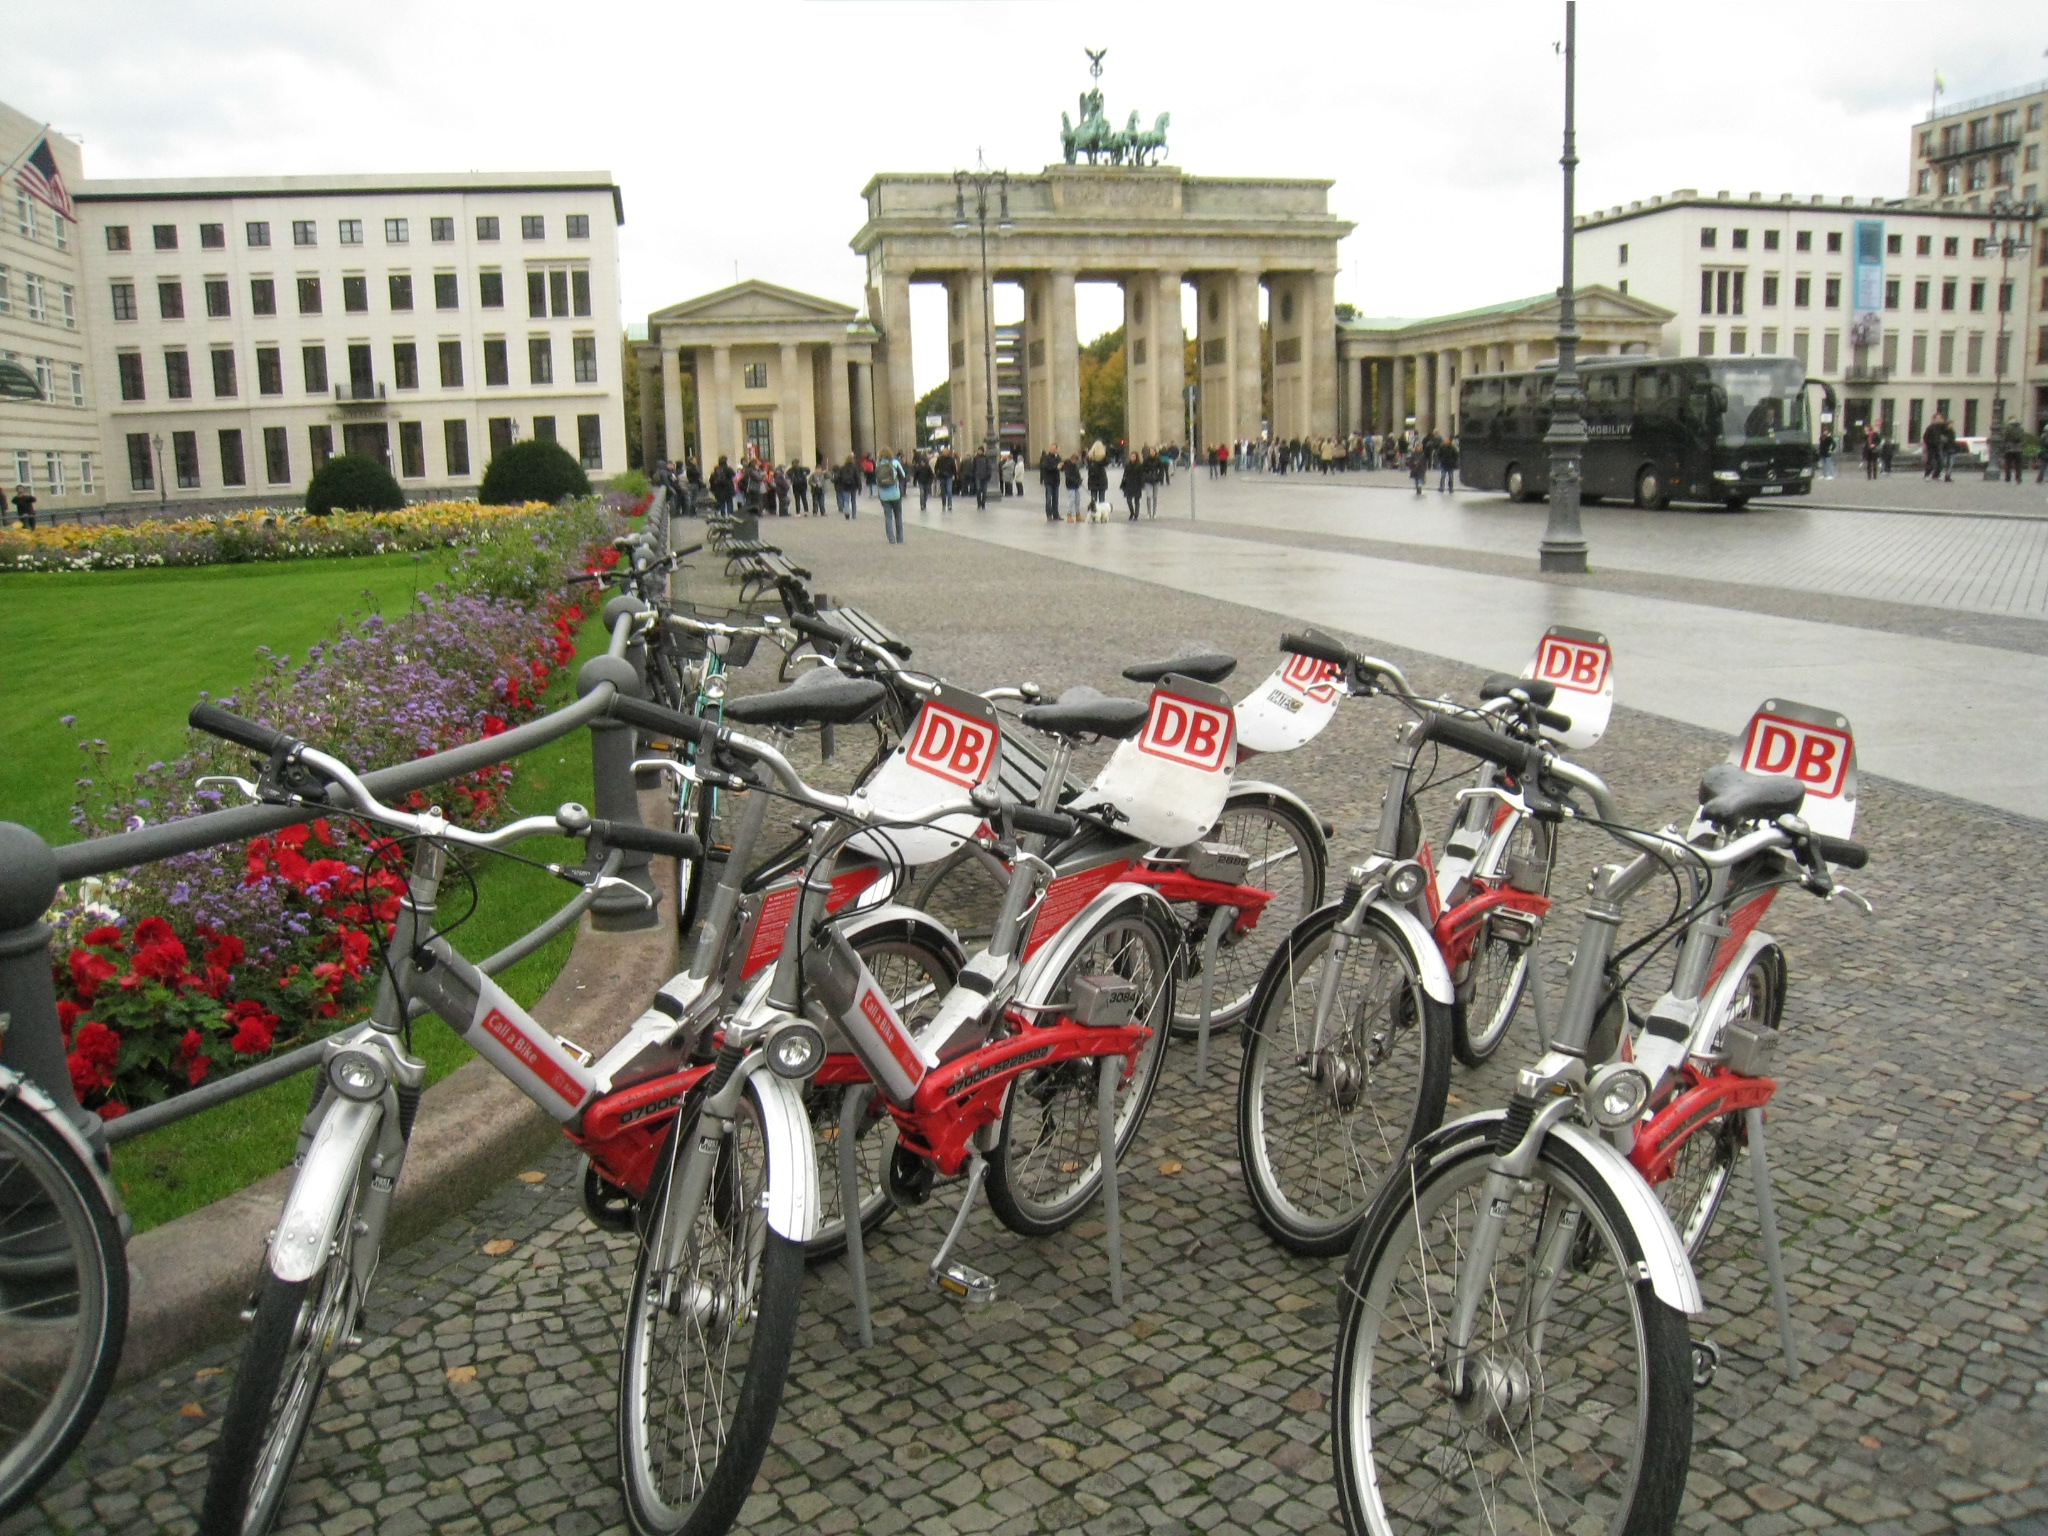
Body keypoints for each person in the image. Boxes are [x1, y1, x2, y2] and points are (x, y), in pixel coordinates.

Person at [875, 447, 907, 543]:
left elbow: (877, 480)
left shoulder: (878, 465)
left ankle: (891, 538)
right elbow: (903, 475)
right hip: (895, 493)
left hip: (884, 495)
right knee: (898, 516)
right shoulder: (895, 463)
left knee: (888, 517)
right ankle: (900, 537)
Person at [2000, 417, 2026, 483]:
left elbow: (2004, 438)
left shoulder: (2008, 429)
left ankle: (2008, 478)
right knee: (2018, 465)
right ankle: (2018, 478)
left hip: (2009, 449)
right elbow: (2024, 440)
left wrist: (2003, 447)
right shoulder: (2021, 429)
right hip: (2019, 449)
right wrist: (2021, 446)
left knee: (2008, 464)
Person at [1038, 444, 1061, 520]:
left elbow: (1061, 466)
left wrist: (1060, 467)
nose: (1053, 450)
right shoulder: (1046, 457)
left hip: (1056, 481)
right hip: (1048, 481)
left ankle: (1056, 515)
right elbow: (1047, 467)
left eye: (1054, 449)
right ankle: (1049, 515)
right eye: (1051, 449)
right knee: (1048, 499)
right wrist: (1056, 467)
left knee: (1055, 499)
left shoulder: (1058, 457)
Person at [1120, 452, 1145, 519]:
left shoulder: (1139, 465)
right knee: (1128, 500)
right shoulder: (1127, 465)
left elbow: (1142, 476)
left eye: (1134, 456)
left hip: (1137, 484)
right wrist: (1123, 483)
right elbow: (1125, 475)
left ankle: (1136, 514)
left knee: (1137, 500)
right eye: (1131, 456)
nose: (1132, 458)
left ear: (1136, 457)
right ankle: (1132, 512)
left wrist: (1142, 484)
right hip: (1129, 484)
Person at [934, 446, 958, 511]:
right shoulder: (939, 459)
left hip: (949, 476)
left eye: (946, 451)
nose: (945, 453)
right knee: (943, 491)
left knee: (949, 490)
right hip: (942, 476)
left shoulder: (951, 459)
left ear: (948, 452)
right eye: (944, 452)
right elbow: (936, 467)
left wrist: (955, 475)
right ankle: (944, 504)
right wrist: (937, 474)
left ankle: (950, 504)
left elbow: (954, 468)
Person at [1062, 452, 1083, 519]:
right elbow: (1068, 476)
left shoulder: (1075, 465)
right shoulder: (1068, 465)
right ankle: (1069, 514)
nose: (1077, 463)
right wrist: (1076, 481)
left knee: (1077, 500)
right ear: (1074, 459)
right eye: (1077, 461)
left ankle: (1078, 514)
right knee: (1071, 500)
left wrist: (1080, 479)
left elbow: (1077, 474)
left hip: (1076, 485)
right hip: (1070, 485)